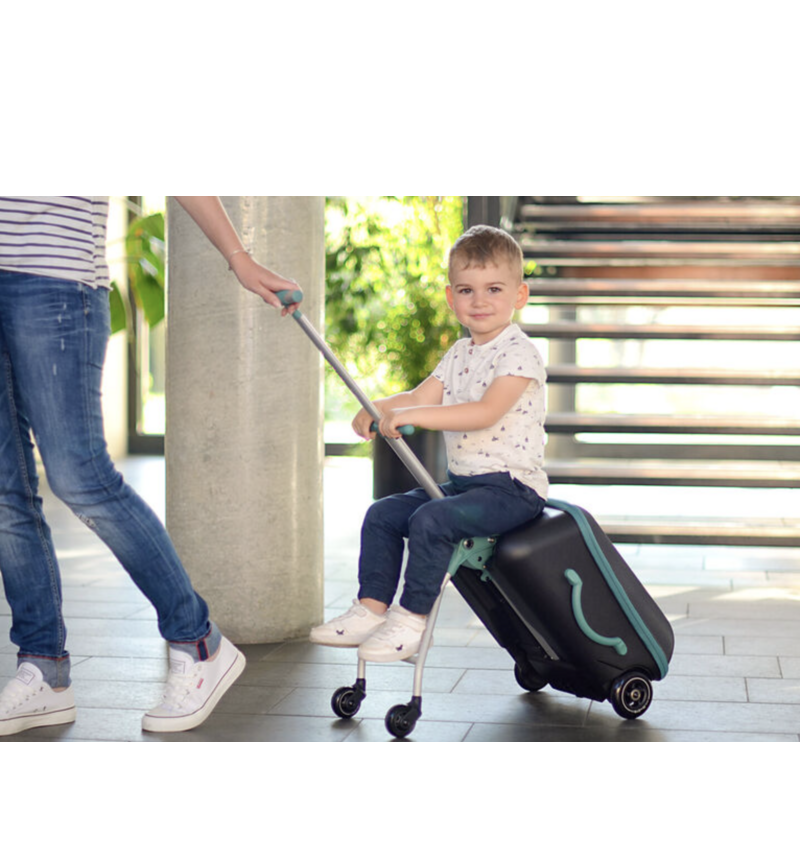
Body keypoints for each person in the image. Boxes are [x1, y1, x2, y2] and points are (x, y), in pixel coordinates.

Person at [0, 195, 299, 736]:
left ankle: (198, 640)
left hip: (55, 280)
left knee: (80, 476)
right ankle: (43, 670)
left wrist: (238, 256)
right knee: (3, 490)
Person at [311, 224, 548, 663]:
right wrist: (378, 407)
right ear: (450, 297)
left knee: (432, 521)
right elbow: (420, 398)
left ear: (519, 295)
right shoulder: (460, 352)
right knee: (383, 514)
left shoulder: (520, 353)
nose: (479, 301)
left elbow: (484, 412)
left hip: (512, 490)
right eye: (466, 290)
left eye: (494, 289)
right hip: (465, 486)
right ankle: (371, 609)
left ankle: (411, 622)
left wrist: (411, 416)